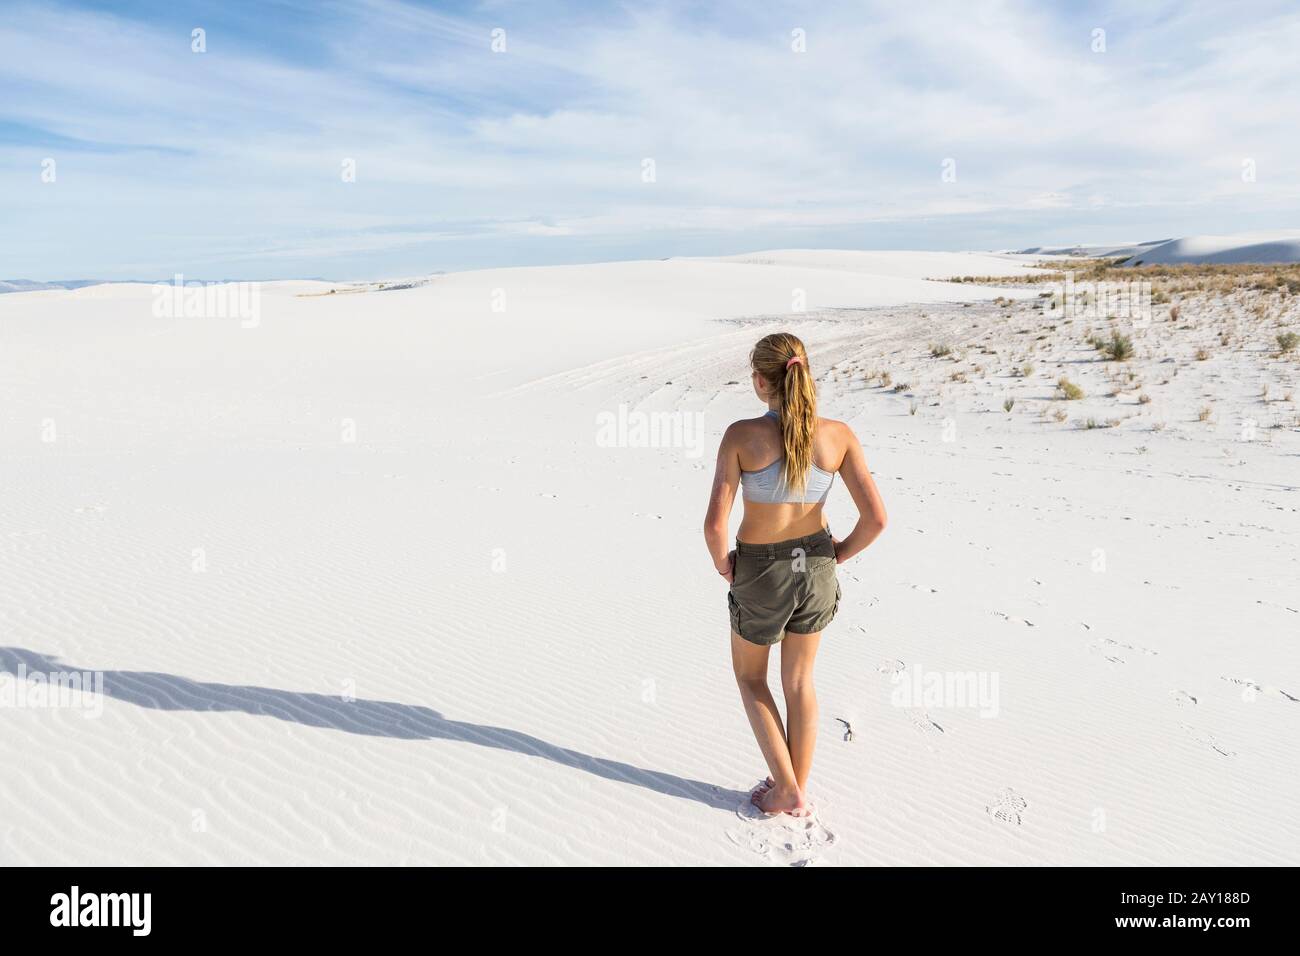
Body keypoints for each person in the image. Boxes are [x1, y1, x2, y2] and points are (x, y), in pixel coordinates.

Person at [703, 332, 887, 816]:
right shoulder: (838, 434)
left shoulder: (742, 435)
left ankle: (786, 788)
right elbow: (877, 520)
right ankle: (795, 786)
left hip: (762, 570)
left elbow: (715, 523)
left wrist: (726, 566)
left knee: (750, 679)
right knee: (801, 682)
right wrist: (839, 554)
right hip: (818, 563)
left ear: (761, 382)